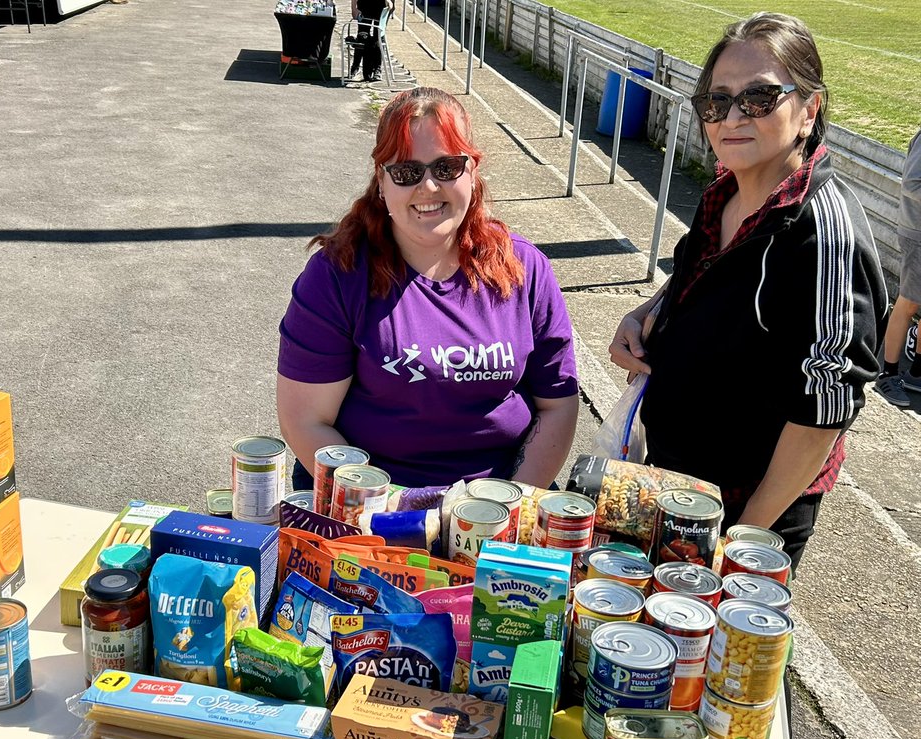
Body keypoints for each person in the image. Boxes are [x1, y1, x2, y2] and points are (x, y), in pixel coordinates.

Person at [608, 12, 887, 569]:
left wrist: (740, 541)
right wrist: (643, 314)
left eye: (758, 98)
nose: (732, 117)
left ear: (809, 110)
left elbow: (825, 407)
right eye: (717, 101)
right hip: (675, 478)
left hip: (745, 508)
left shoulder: (821, 230)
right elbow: (695, 274)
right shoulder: (725, 192)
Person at [277, 86, 579, 491]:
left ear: (472, 171)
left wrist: (511, 503)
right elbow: (306, 421)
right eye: (407, 172)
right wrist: (391, 509)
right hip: (371, 500)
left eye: (446, 167)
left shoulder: (524, 268)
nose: (429, 187)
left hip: (501, 498)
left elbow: (557, 405)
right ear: (382, 182)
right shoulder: (337, 275)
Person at [874, 125, 921, 407]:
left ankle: (917, 373)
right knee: (909, 302)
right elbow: (912, 184)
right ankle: (887, 374)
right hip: (918, 233)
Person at [348, 0, 392, 83]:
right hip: (364, 5)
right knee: (362, 37)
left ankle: (377, 68)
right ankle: (355, 66)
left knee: (378, 38)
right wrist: (353, 8)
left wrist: (389, 2)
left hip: (380, 6)